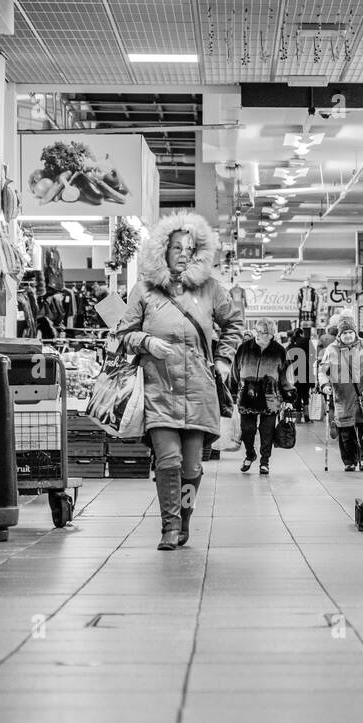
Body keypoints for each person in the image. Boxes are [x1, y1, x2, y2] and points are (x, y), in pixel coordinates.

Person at [118, 212, 245, 550]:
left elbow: (234, 323)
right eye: (177, 247)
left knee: (192, 465)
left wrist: (224, 358)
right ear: (163, 249)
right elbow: (122, 334)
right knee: (168, 460)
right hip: (159, 389)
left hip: (199, 390)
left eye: (190, 248)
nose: (184, 254)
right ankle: (170, 527)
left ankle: (184, 519)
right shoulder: (145, 290)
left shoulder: (210, 289)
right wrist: (147, 342)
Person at [232, 320, 295, 476]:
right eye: (259, 332)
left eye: (265, 333)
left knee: (267, 431)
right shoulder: (244, 348)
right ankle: (250, 454)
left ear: (272, 334)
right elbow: (235, 372)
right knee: (247, 430)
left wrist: (289, 398)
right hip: (247, 395)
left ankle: (264, 461)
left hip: (270, 397)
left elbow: (286, 376)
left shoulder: (280, 351)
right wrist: (232, 392)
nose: (260, 336)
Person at [318, 313, 363, 472]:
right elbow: (322, 371)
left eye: (350, 332)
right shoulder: (332, 349)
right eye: (345, 333)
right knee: (345, 432)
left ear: (355, 332)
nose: (348, 335)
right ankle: (349, 461)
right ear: (339, 334)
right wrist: (324, 385)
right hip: (342, 396)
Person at [288, 328, 314, 422]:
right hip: (306, 369)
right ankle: (307, 417)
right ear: (301, 334)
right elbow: (312, 355)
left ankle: (298, 417)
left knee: (297, 394)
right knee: (305, 394)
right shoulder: (306, 340)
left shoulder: (291, 344)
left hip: (295, 371)